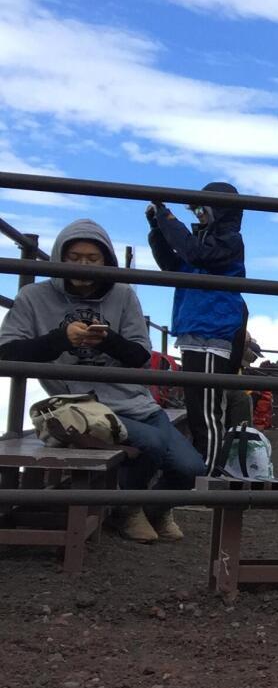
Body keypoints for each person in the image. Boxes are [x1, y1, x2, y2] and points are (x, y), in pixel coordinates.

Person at [0, 218, 203, 542]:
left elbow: (140, 356)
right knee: (149, 443)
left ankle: (155, 508)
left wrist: (107, 340)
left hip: (135, 402)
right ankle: (128, 511)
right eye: (74, 257)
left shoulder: (123, 295)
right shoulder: (33, 297)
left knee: (191, 467)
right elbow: (6, 353)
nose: (83, 265)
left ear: (107, 261)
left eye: (92, 259)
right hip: (80, 407)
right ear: (59, 258)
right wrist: (61, 339)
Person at [146, 183, 247, 473]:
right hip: (194, 332)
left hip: (212, 333)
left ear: (220, 210)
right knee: (197, 409)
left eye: (203, 208)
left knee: (207, 412)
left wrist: (167, 218)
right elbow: (172, 264)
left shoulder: (229, 240)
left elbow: (194, 253)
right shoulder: (202, 241)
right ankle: (204, 470)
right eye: (196, 208)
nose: (199, 214)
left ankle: (209, 474)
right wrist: (156, 227)